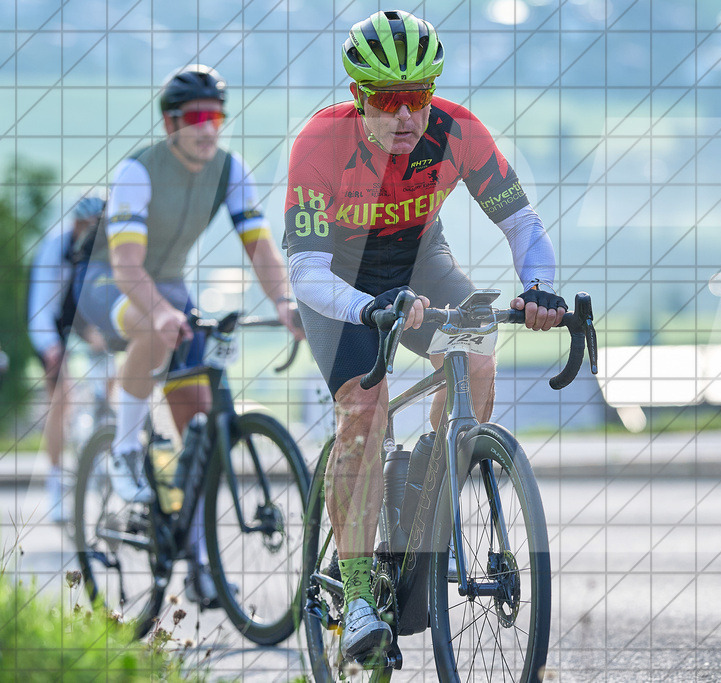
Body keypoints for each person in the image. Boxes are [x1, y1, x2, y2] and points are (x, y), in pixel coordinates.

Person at [286, 10, 567, 659]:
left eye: (418, 97)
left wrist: (540, 288)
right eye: (388, 100)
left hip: (419, 261)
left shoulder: (458, 131)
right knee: (364, 405)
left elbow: (521, 220)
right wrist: (365, 306)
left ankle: (426, 502)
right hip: (340, 282)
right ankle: (358, 591)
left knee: (480, 363)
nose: (405, 115)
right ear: (359, 98)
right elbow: (304, 269)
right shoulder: (319, 143)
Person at [77, 63, 304, 606]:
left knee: (199, 426)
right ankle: (126, 450)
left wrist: (284, 302)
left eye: (217, 118)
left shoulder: (229, 170)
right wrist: (157, 312)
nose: (209, 129)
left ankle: (197, 559)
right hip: (114, 283)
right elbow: (127, 265)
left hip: (172, 290)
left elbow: (260, 247)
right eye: (197, 118)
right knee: (154, 335)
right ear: (170, 122)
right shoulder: (139, 171)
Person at [27, 194, 109, 523]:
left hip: (80, 316)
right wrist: (52, 350)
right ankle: (55, 483)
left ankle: (102, 445)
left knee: (113, 370)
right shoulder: (54, 248)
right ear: (78, 223)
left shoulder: (99, 250)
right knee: (62, 397)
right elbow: (39, 313)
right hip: (48, 321)